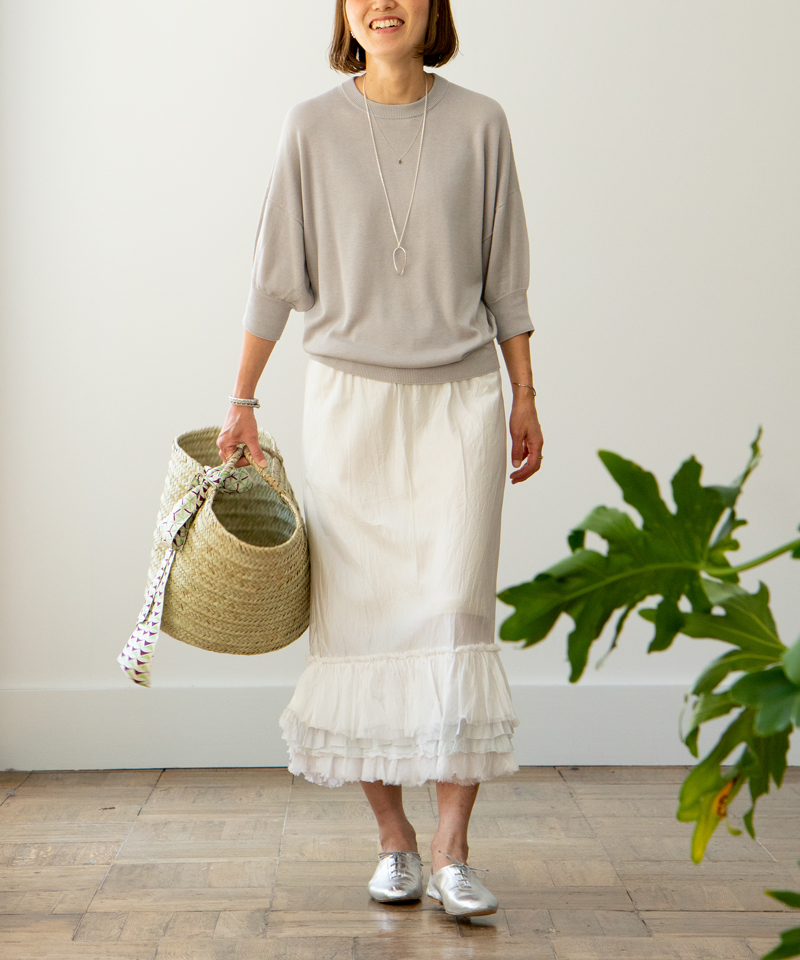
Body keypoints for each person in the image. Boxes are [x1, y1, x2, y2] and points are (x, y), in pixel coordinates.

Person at [217, 0, 543, 918]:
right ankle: (395, 841)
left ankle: (452, 851)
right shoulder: (310, 127)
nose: (383, 2)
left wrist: (525, 392)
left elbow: (508, 279)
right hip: (348, 409)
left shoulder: (481, 122)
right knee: (356, 625)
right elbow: (274, 278)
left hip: (461, 404)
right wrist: (241, 399)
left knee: (455, 616)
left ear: (435, 7)